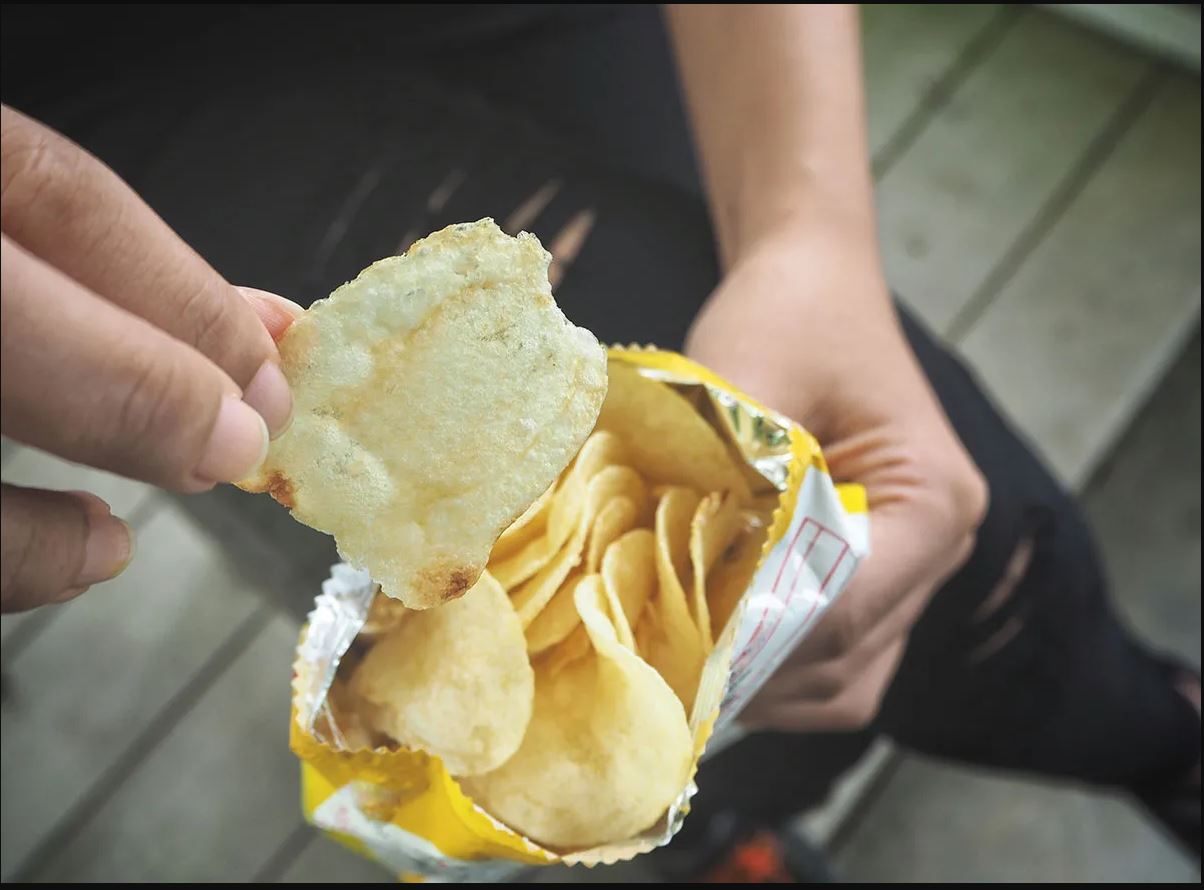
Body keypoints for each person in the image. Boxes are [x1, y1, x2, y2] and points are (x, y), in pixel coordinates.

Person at [1, 4, 1197, 880]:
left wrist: (806, 234)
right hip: (95, 111)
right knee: (428, 600)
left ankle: (1163, 732)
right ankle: (705, 841)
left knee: (971, 568)